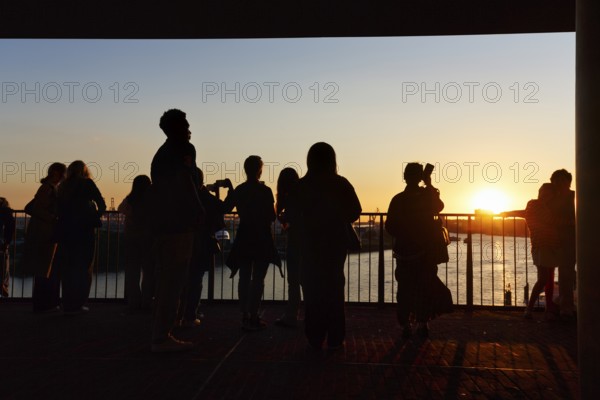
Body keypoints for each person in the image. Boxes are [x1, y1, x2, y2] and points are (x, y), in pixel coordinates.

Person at [288, 142, 362, 350]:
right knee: (334, 287)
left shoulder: (301, 186)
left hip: (310, 243)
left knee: (312, 289)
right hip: (335, 243)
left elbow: (292, 214)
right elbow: (356, 210)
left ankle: (315, 335)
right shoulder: (341, 183)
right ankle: (335, 336)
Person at [150, 109, 204, 352]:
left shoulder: (161, 155)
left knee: (167, 281)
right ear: (177, 128)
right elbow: (187, 181)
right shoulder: (183, 150)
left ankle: (161, 333)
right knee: (174, 281)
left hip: (163, 224)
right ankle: (161, 337)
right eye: (185, 123)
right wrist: (199, 208)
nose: (189, 126)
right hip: (179, 224)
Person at [385, 162, 445, 339]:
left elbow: (389, 226)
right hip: (425, 251)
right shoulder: (427, 196)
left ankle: (405, 324)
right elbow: (439, 206)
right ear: (420, 177)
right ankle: (422, 322)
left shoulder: (397, 199)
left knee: (404, 288)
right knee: (424, 287)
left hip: (404, 252)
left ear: (405, 176)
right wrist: (429, 183)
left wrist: (404, 234)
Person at [224, 155, 281, 331]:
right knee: (258, 279)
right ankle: (254, 315)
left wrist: (231, 192)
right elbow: (272, 216)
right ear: (260, 170)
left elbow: (226, 207)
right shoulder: (265, 191)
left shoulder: (239, 191)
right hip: (262, 238)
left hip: (245, 236)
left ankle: (244, 315)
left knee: (244, 277)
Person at [179, 169, 229, 327]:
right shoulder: (206, 198)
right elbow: (224, 208)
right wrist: (230, 189)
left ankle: (177, 314)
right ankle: (190, 315)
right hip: (202, 244)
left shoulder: (181, 197)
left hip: (180, 241)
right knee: (196, 279)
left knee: (181, 279)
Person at [56, 160, 106, 314]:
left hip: (66, 231)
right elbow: (102, 204)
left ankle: (67, 303)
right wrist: (93, 217)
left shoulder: (62, 186)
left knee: (68, 267)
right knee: (84, 266)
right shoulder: (87, 183)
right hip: (84, 231)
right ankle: (79, 303)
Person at [24, 162, 67, 312]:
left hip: (42, 233)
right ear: (57, 173)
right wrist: (53, 218)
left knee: (44, 269)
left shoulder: (47, 188)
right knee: (45, 269)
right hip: (45, 233)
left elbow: (30, 207)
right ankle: (44, 304)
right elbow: (36, 208)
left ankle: (43, 303)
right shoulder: (48, 189)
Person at [518, 183, 561, 320]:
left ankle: (545, 308)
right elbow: (550, 220)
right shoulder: (535, 204)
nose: (545, 195)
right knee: (543, 279)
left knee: (546, 279)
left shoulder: (546, 207)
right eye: (544, 192)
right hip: (541, 246)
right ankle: (529, 309)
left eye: (548, 193)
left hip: (550, 246)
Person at [118, 175, 155, 313]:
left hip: (131, 239)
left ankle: (134, 302)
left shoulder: (130, 200)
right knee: (148, 272)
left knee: (132, 272)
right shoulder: (152, 200)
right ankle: (147, 301)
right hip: (148, 239)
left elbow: (120, 209)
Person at [274, 167, 302, 328]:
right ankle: (312, 313)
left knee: (294, 281)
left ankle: (291, 315)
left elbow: (286, 220)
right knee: (306, 279)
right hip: (307, 241)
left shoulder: (287, 199)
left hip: (294, 242)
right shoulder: (302, 194)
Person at [550, 169, 576, 321]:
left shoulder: (571, 197)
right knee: (566, 273)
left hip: (570, 239)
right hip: (564, 240)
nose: (558, 184)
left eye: (561, 180)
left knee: (566, 273)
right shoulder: (560, 198)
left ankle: (566, 306)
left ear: (568, 182)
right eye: (556, 181)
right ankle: (566, 306)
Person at [0, 197, 16, 298]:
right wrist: (7, 242)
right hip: (2, 246)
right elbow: (10, 230)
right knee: (3, 272)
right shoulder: (7, 214)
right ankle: (5, 294)